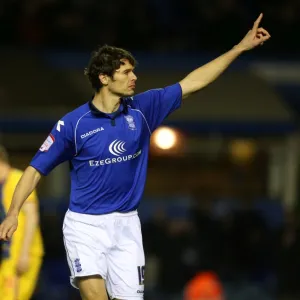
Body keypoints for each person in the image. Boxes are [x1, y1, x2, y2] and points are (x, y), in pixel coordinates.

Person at [0, 14, 270, 300]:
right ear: (104, 78)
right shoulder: (73, 124)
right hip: (85, 226)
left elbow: (194, 82)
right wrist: (13, 212)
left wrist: (239, 48)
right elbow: (34, 169)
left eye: (133, 71)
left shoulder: (143, 108)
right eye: (127, 72)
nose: (134, 77)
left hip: (127, 225)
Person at [0, 145, 44, 300]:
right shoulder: (3, 185)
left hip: (22, 254)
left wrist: (25, 253)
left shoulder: (18, 179)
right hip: (8, 256)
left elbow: (32, 217)